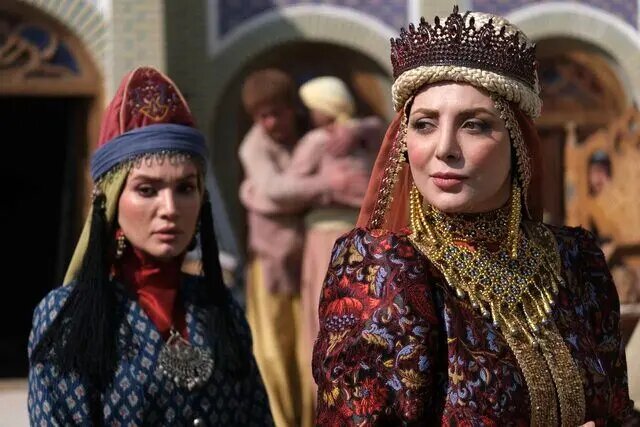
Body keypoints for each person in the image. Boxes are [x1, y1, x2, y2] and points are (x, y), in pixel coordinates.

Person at [312, 8, 634, 426]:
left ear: (518, 143)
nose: (444, 147)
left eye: (475, 125)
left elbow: (618, 411)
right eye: (424, 124)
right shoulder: (387, 270)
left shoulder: (576, 261)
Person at [28, 66, 272, 425]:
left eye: (185, 188)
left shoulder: (222, 312)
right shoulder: (69, 317)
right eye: (147, 190)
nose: (170, 208)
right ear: (112, 202)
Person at [293, 75, 384, 426]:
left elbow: (285, 186)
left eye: (313, 107)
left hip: (335, 242)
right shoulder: (347, 139)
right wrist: (330, 184)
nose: (309, 114)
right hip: (351, 240)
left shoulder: (327, 139)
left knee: (335, 322)